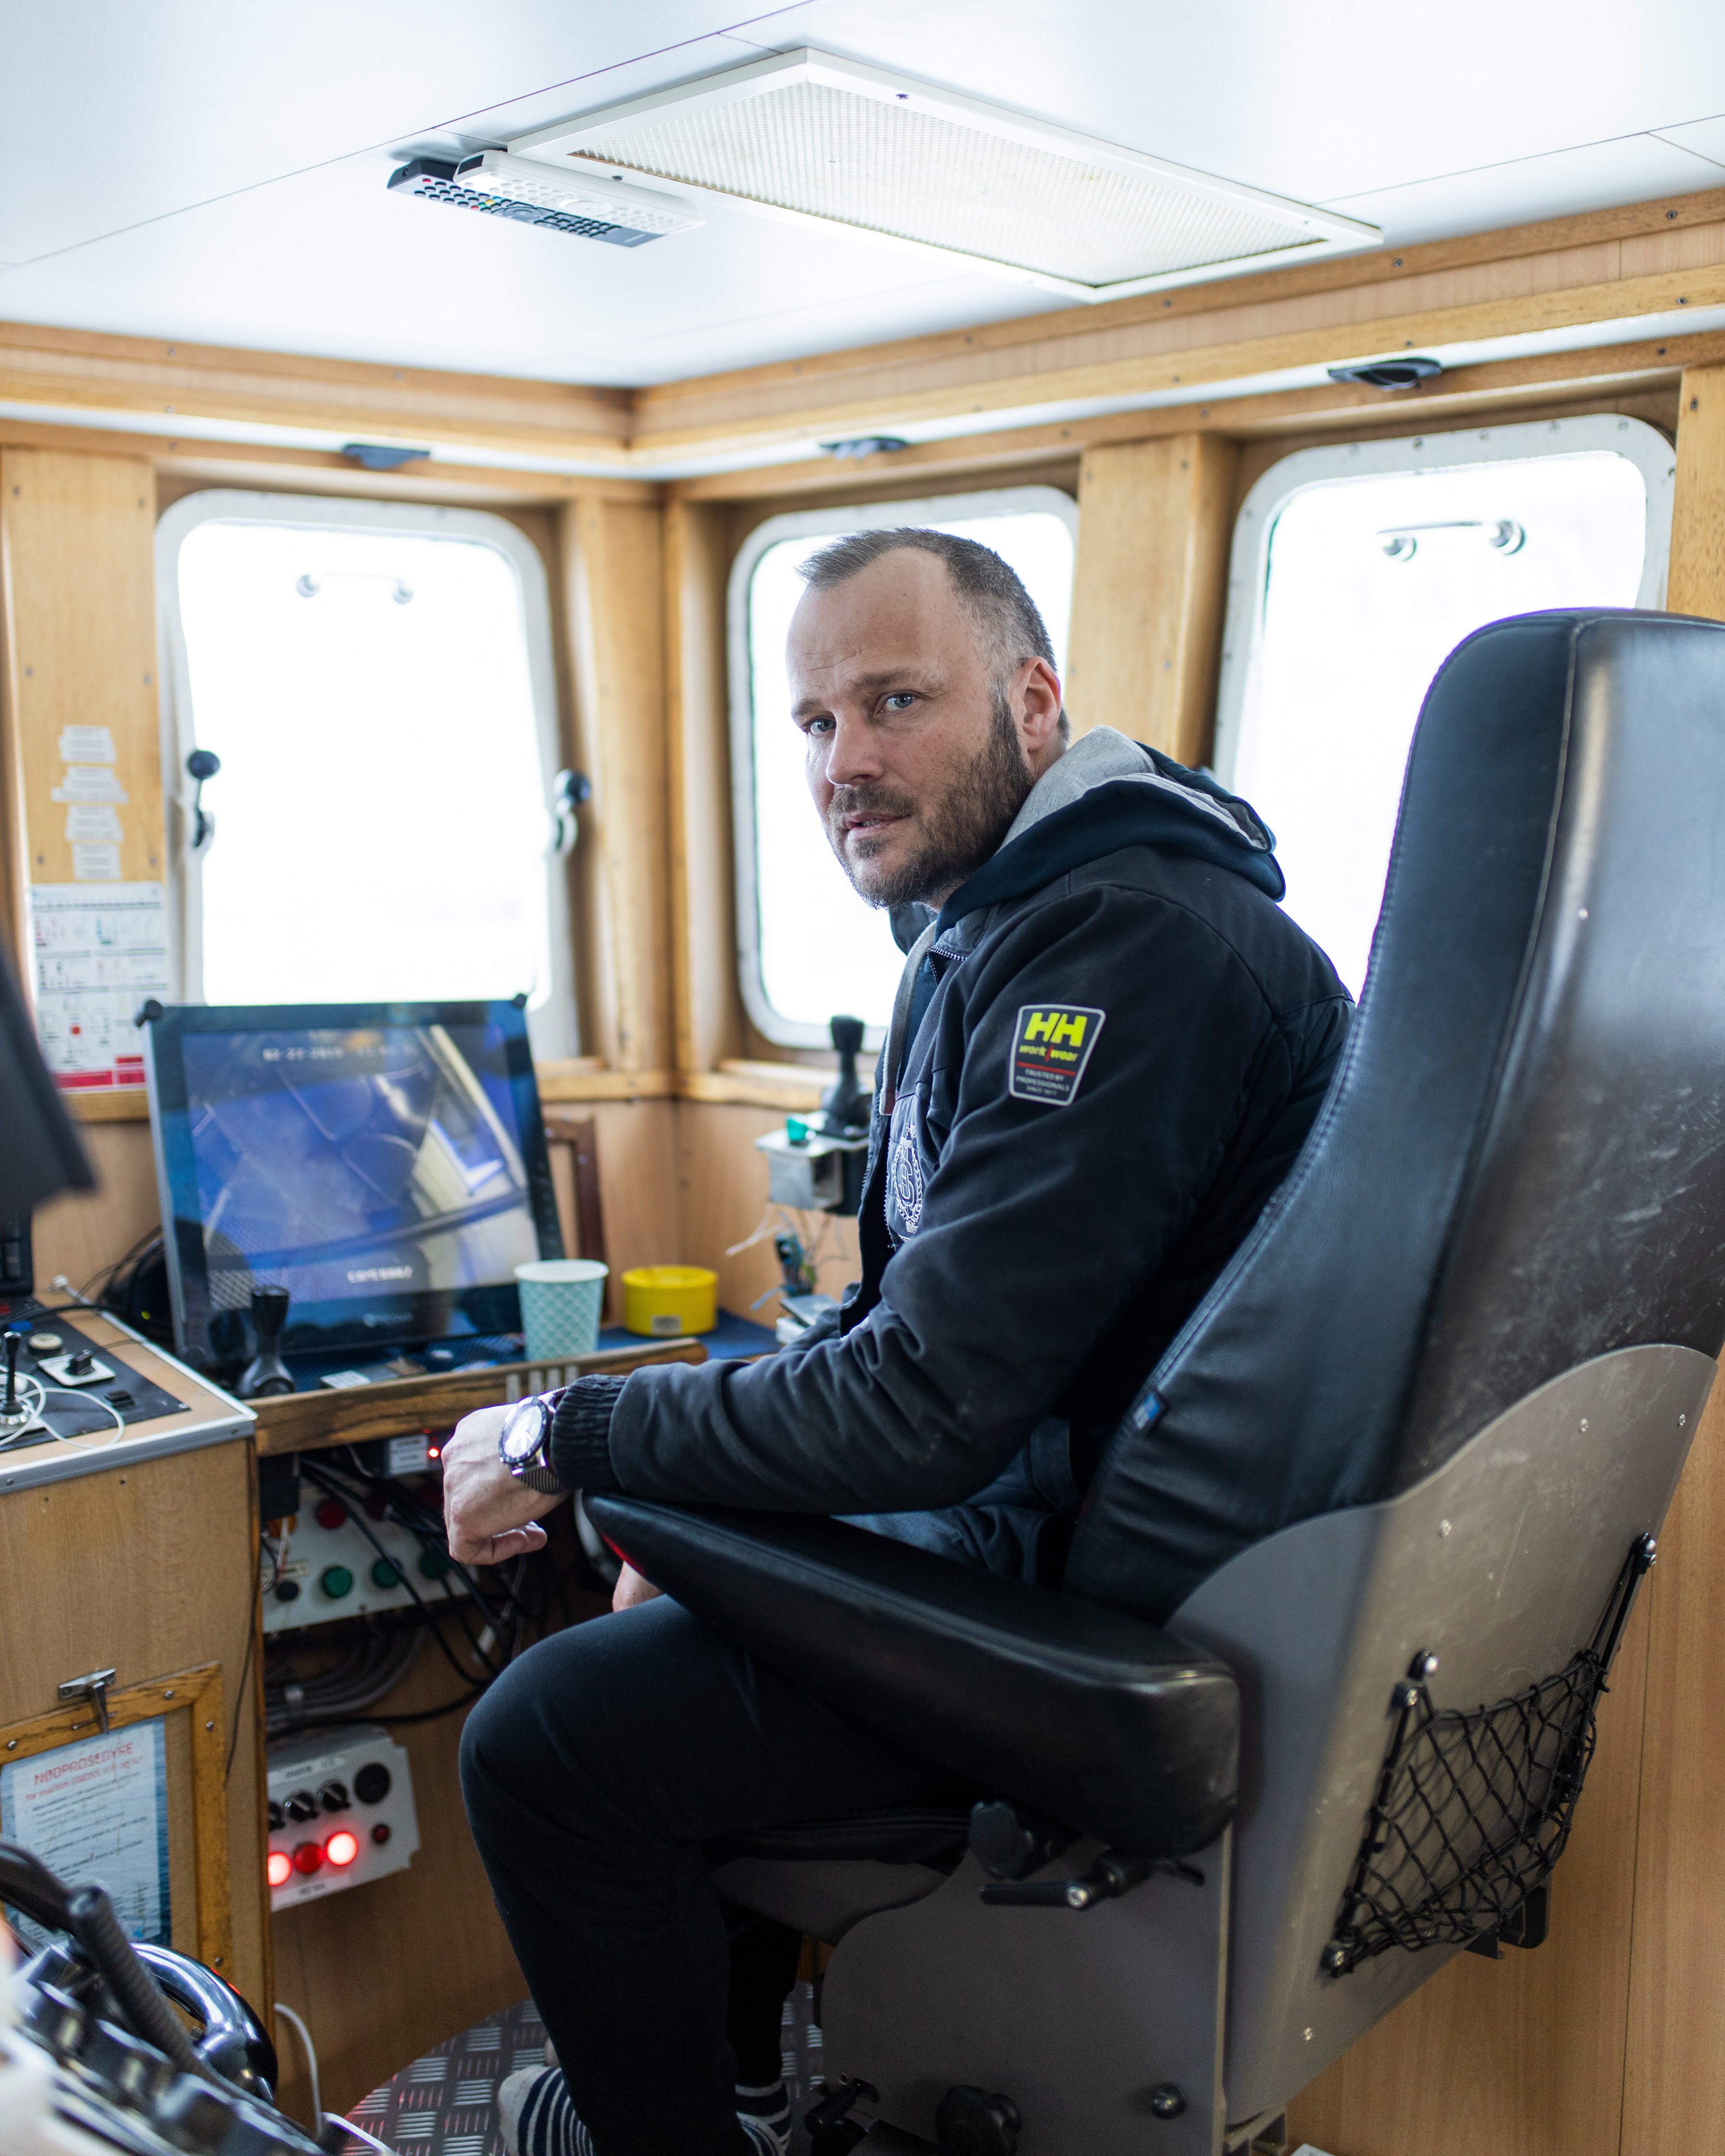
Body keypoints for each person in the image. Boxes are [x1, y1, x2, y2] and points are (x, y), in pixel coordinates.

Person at [443, 529, 1351, 2156]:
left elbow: (925, 1403)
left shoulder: (1131, 950)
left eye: (895, 702)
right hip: (1063, 1545)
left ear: (1032, 702)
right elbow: (896, 1328)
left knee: (547, 1738)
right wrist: (714, 1516)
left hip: (1108, 1626)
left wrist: (566, 1435)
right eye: (812, 723)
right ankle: (728, 2092)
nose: (845, 762)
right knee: (677, 1578)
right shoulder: (1005, 922)